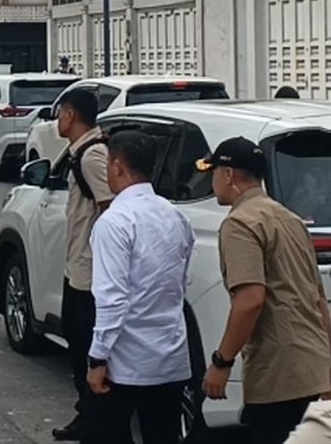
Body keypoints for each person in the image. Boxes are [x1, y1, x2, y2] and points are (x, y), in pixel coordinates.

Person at [200, 137, 331, 444]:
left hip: (278, 374)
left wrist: (222, 363)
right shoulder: (291, 219)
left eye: (215, 171)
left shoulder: (240, 224)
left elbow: (250, 300)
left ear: (229, 174)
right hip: (314, 368)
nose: (212, 179)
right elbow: (317, 298)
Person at [83, 131, 195, 444]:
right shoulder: (175, 216)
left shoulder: (114, 222)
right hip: (169, 356)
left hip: (125, 362)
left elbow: (112, 299)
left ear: (117, 166)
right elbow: (179, 282)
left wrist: (98, 358)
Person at [51, 87, 113, 442]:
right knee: (75, 342)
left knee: (87, 348)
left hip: (89, 272)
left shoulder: (92, 156)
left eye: (61, 113)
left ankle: (96, 421)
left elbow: (109, 209)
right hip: (77, 266)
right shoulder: (81, 152)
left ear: (71, 115)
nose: (59, 120)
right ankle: (85, 413)